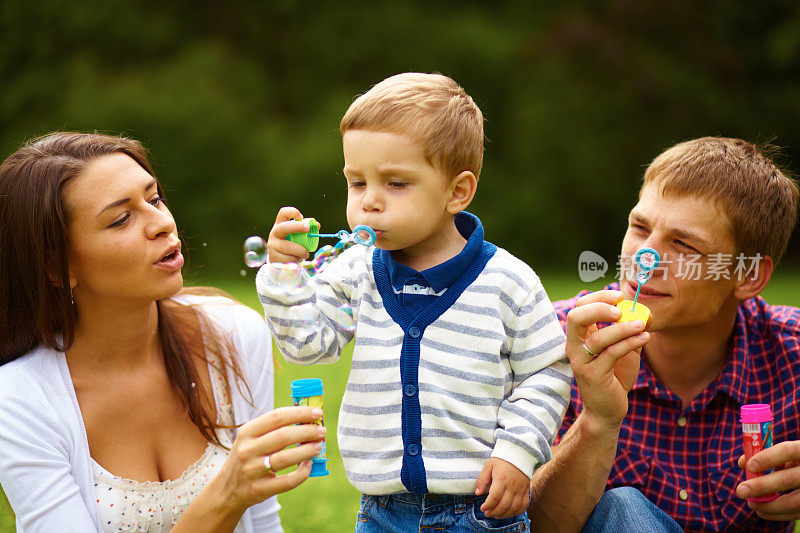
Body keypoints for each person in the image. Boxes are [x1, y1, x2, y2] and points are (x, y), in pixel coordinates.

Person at [257, 72, 572, 531]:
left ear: (457, 192)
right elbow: (306, 345)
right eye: (356, 183)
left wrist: (518, 452)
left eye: (395, 184)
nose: (369, 203)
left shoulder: (509, 282)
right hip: (382, 514)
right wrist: (286, 275)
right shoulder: (355, 270)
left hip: (479, 512)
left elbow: (547, 372)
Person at [0, 132, 326, 532]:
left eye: (154, 199)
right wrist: (227, 493)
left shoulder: (233, 333)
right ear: (57, 267)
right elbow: (238, 501)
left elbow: (263, 525)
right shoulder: (19, 400)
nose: (162, 223)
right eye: (121, 219)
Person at [528, 137, 800, 532]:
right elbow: (534, 526)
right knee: (622, 508)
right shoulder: (554, 340)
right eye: (640, 227)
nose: (644, 257)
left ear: (749, 274)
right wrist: (598, 422)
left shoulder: (791, 352)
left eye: (683, 244)